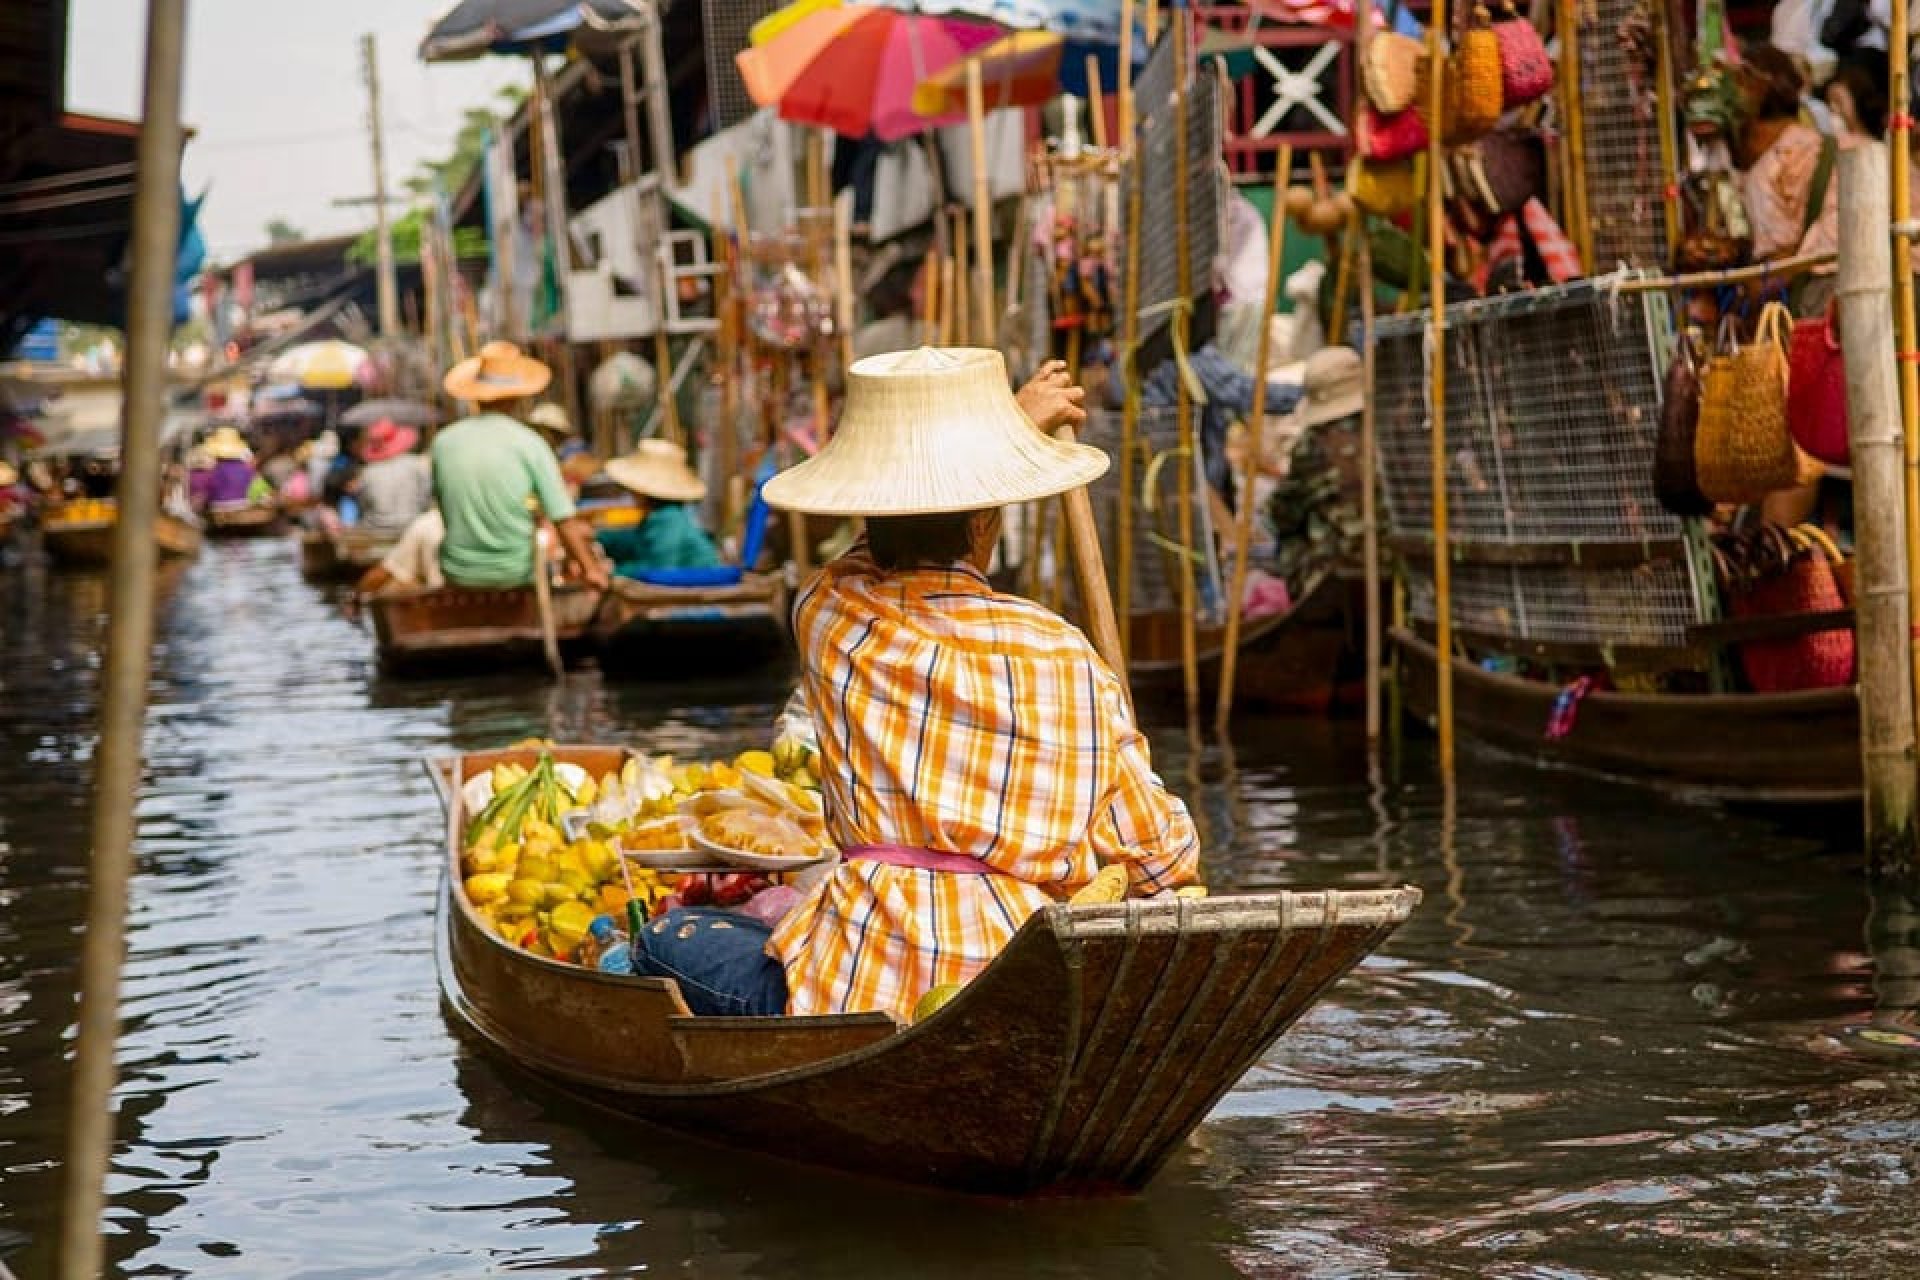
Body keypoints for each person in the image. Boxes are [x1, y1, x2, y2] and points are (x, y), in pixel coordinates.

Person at [628, 348, 1200, 1019]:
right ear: (985, 523)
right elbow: (1162, 858)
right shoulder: (1068, 652)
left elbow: (856, 563)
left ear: (870, 516)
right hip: (1023, 981)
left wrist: (1011, 428)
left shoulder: (834, 617)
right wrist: (1010, 438)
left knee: (663, 938)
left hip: (856, 987)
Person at [430, 341, 608, 591]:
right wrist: (591, 570)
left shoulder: (443, 442)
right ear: (517, 396)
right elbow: (562, 518)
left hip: (458, 572)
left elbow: (443, 506)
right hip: (516, 575)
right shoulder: (529, 443)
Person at [594, 439, 724, 578]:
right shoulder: (657, 516)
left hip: (700, 584)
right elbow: (633, 542)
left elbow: (658, 567)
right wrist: (599, 537)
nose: (631, 492)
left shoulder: (668, 518)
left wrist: (614, 571)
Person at [351, 418, 432, 532]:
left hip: (376, 529)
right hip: (412, 526)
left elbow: (362, 503)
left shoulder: (368, 472)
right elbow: (426, 497)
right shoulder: (416, 464)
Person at [353, 507, 445, 597]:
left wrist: (355, 596)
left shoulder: (429, 523)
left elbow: (384, 572)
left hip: (439, 598)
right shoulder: (429, 522)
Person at [190, 426, 267, 509]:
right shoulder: (246, 468)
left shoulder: (215, 470)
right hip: (243, 505)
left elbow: (207, 490)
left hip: (219, 507)